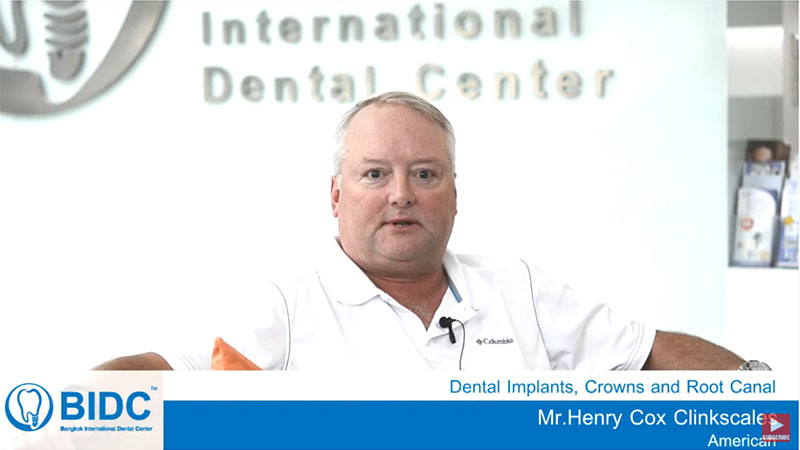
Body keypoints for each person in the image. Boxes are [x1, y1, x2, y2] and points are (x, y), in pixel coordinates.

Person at [97, 92, 764, 371]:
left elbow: (649, 352)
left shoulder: (518, 287)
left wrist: (764, 392)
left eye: (424, 174)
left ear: (454, 194)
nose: (401, 195)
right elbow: (157, 376)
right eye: (374, 175)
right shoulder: (284, 304)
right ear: (335, 195)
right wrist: (67, 415)